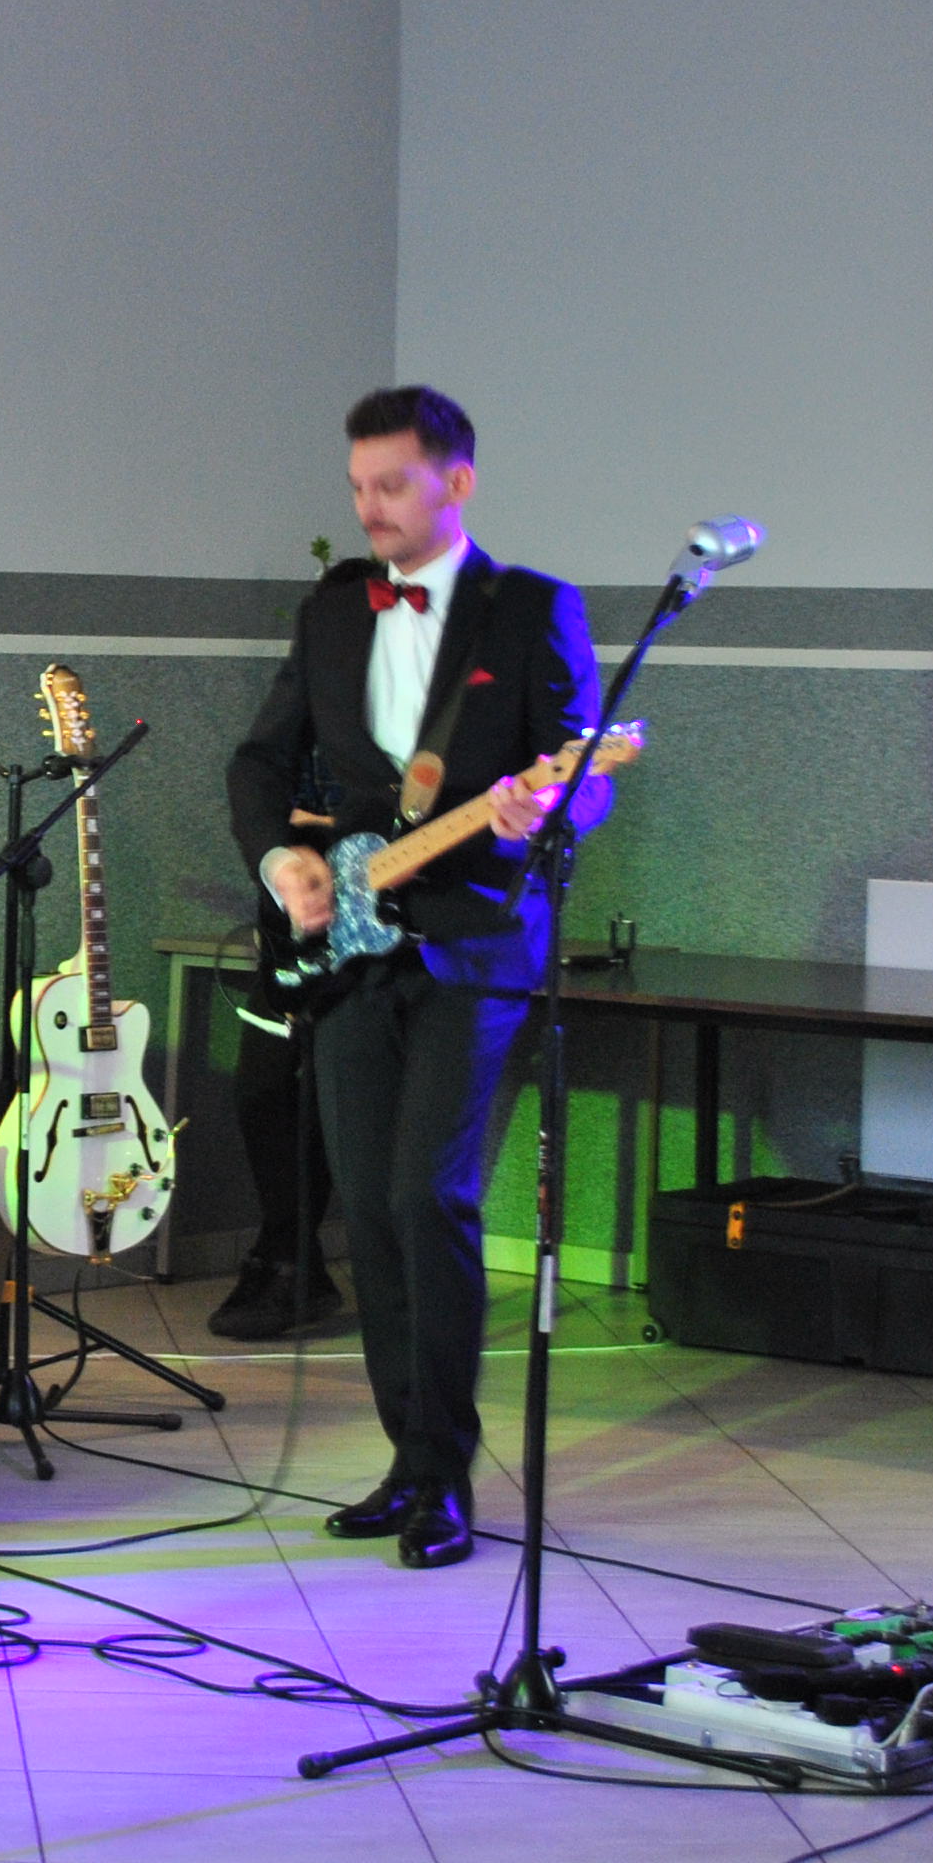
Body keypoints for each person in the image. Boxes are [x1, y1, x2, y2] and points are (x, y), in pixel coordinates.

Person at [225, 386, 606, 1569]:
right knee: (370, 1211)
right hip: (349, 945)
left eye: (390, 484)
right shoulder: (332, 614)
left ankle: (443, 1476)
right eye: (356, 487)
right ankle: (403, 1461)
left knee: (426, 1197)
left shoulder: (528, 608)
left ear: (457, 482)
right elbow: (256, 762)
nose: (369, 507)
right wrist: (282, 860)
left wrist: (543, 810)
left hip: (473, 943)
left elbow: (584, 776)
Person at [208, 747, 342, 1343]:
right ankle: (292, 1257)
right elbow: (255, 795)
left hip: (364, 930)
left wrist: (311, 827)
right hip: (289, 944)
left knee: (320, 1106)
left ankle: (287, 1260)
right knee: (259, 1095)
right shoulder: (293, 724)